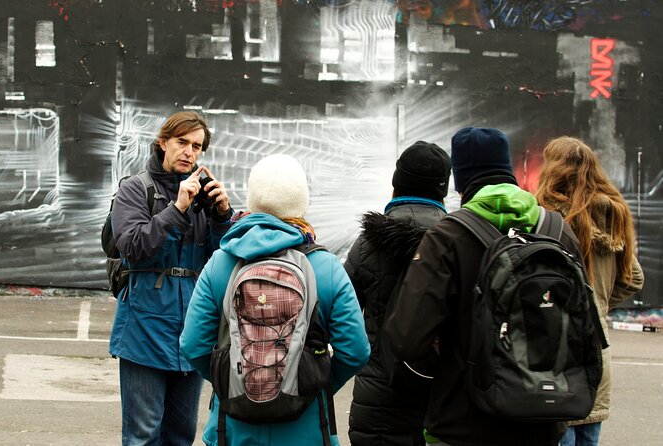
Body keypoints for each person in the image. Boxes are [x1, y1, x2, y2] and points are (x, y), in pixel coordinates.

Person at [384, 127, 580, 446]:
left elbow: (406, 339)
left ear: (460, 182)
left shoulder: (447, 238)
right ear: (507, 171)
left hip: (462, 424)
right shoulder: (559, 232)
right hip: (541, 420)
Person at [179, 153, 370, 446]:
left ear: (252, 201)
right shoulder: (326, 267)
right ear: (302, 203)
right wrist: (308, 384)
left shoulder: (221, 263)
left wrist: (233, 384)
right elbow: (355, 350)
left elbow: (192, 344)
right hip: (306, 429)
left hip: (231, 428)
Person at [109, 111, 234, 446]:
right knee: (143, 436)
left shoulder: (204, 196)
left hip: (193, 332)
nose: (189, 152)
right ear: (163, 142)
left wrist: (223, 217)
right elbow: (135, 247)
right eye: (182, 142)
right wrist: (177, 209)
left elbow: (225, 260)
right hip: (143, 331)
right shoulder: (135, 190)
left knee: (181, 436)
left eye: (196, 146)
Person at [535, 136, 644, 446]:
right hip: (597, 349)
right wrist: (598, 302)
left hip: (555, 350)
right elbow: (634, 278)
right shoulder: (613, 215)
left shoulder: (545, 215)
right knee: (588, 436)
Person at [344, 141, 451, 446]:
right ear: (441, 191)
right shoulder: (460, 244)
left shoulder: (367, 244)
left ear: (396, 184)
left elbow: (339, 318)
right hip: (442, 403)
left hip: (378, 403)